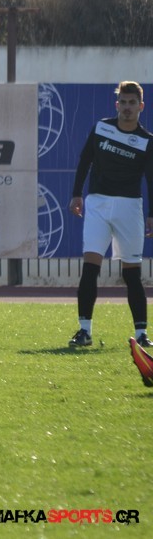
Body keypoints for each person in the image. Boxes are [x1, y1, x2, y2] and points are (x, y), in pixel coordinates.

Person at [68, 80, 153, 349]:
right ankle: (84, 331)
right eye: (123, 102)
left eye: (132, 103)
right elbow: (85, 160)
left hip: (130, 207)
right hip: (98, 204)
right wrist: (76, 194)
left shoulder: (147, 141)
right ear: (117, 104)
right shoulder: (101, 128)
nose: (127, 107)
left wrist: (152, 214)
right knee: (90, 267)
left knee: (132, 273)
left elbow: (151, 179)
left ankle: (142, 334)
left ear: (141, 106)